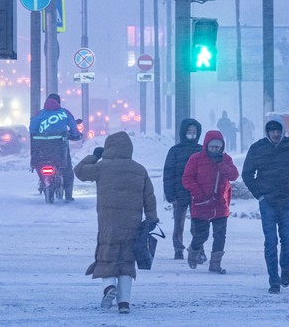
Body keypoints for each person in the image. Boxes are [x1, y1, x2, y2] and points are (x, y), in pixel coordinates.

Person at [74, 131, 158, 314]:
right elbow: (149, 197)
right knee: (127, 262)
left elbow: (79, 171)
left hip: (108, 223)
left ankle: (109, 287)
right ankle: (124, 303)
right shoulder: (139, 169)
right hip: (132, 224)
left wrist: (94, 156)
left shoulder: (102, 167)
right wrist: (152, 218)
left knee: (107, 258)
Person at [242, 114, 289, 294]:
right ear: (267, 132)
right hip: (267, 202)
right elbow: (247, 174)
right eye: (272, 131)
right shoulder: (257, 148)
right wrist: (260, 195)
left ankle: (285, 267)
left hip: (288, 200)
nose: (275, 134)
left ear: (283, 130)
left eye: (278, 130)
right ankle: (273, 280)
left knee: (288, 239)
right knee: (270, 241)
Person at [182, 130, 239, 273]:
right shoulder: (196, 159)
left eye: (218, 147)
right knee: (202, 234)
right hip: (202, 204)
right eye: (212, 147)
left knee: (220, 236)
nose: (215, 150)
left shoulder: (225, 159)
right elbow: (187, 178)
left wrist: (222, 165)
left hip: (220, 204)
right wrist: (199, 194)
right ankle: (194, 251)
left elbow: (234, 175)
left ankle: (215, 264)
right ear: (206, 145)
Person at [29, 93, 82, 202]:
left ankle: (43, 182)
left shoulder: (39, 114)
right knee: (67, 169)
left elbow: (32, 129)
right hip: (59, 149)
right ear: (59, 102)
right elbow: (73, 127)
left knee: (40, 163)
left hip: (41, 150)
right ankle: (68, 196)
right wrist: (76, 135)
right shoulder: (64, 113)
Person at [163, 118, 203, 260]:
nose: (192, 134)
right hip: (179, 193)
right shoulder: (175, 151)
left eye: (194, 131)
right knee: (178, 223)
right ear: (183, 132)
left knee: (197, 223)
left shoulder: (201, 150)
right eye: (189, 131)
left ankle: (198, 248)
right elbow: (168, 173)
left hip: (197, 193)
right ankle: (178, 248)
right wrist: (169, 193)